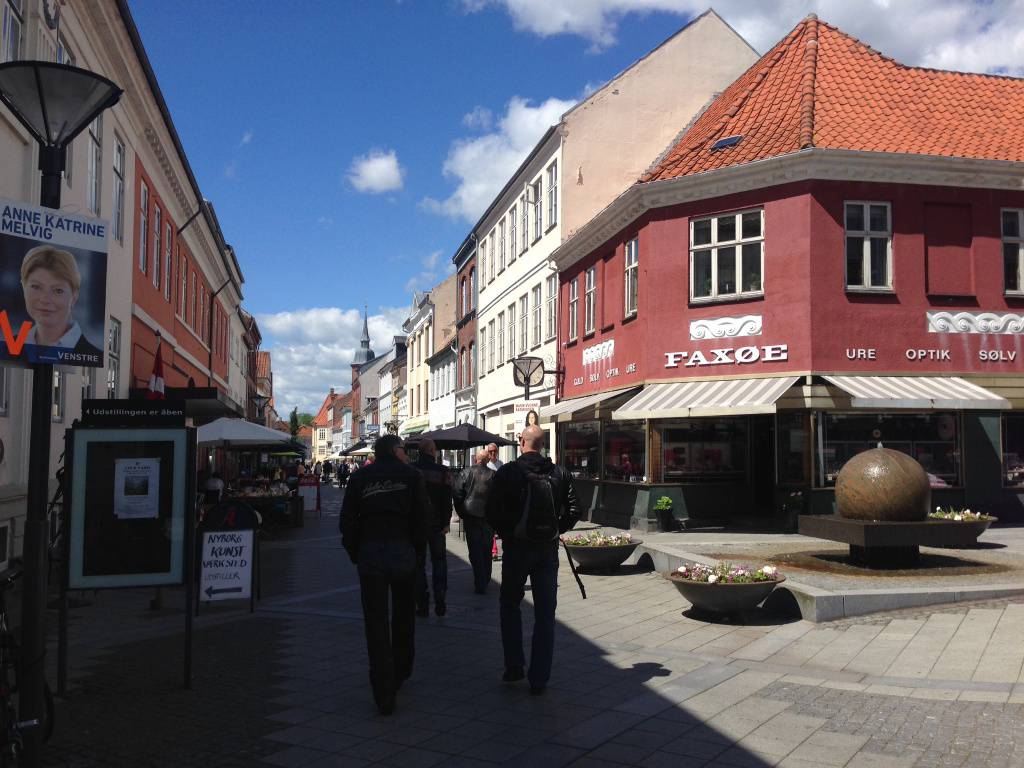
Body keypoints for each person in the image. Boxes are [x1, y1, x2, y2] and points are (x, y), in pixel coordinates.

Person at [486, 425, 580, 696]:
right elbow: (575, 508)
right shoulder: (559, 472)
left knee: (510, 605)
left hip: (516, 548)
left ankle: (514, 665)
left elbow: (491, 510)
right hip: (547, 550)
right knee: (545, 614)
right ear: (542, 444)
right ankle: (539, 678)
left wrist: (508, 531)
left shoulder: (508, 472)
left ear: (521, 441)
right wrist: (557, 529)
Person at [340, 435, 428, 716]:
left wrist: (356, 551)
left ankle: (382, 690)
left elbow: (347, 520)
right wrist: (416, 551)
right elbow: (422, 518)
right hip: (403, 551)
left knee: (375, 622)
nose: (406, 452)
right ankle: (401, 670)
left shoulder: (360, 477)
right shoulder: (412, 476)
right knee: (404, 616)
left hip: (371, 553)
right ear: (394, 450)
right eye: (403, 448)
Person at [19, 245, 101, 362]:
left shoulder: (93, 356)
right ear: (23, 287)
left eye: (58, 291)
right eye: (36, 287)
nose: (45, 299)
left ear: (74, 297)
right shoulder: (7, 349)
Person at [412, 438, 452, 617]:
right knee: (439, 561)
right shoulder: (443, 472)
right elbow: (447, 499)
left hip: (417, 525)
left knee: (418, 564)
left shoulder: (411, 470)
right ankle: (440, 598)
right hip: (437, 525)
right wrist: (446, 522)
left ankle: (422, 603)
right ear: (431, 451)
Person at [453, 449, 496, 594]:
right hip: (487, 517)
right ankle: (485, 578)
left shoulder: (465, 473)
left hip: (471, 515)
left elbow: (457, 494)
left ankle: (481, 580)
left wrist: (462, 512)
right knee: (486, 549)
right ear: (487, 460)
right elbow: (498, 497)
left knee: (475, 549)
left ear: (475, 459)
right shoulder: (493, 475)